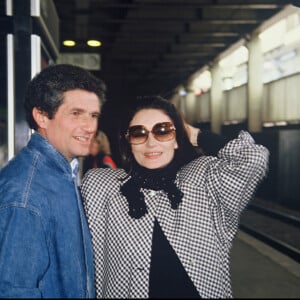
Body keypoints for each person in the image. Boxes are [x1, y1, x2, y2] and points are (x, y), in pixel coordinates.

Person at [81, 95, 269, 298]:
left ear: (178, 139)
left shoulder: (202, 180)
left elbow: (252, 158)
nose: (151, 143)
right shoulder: (103, 185)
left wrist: (197, 135)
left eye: (163, 131)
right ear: (129, 142)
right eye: (138, 133)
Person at [0, 64, 106, 298]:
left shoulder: (62, 173)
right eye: (76, 113)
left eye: (93, 115)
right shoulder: (25, 193)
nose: (89, 127)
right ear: (42, 116)